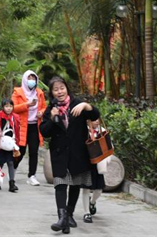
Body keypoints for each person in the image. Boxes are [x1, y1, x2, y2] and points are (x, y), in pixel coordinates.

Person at [40, 77, 100, 234]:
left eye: (62, 88)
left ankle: (69, 214)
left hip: (78, 152)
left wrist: (86, 106)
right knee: (60, 184)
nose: (59, 92)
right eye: (56, 89)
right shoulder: (51, 108)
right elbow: (44, 132)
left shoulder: (77, 104)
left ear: (66, 88)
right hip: (59, 153)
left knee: (75, 184)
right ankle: (62, 218)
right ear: (52, 93)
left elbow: (95, 116)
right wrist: (52, 119)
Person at [12, 70, 47, 186]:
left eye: (34, 79)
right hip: (22, 126)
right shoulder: (17, 92)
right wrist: (27, 104)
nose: (31, 81)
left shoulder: (39, 93)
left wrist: (41, 112)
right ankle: (13, 169)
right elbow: (13, 108)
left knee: (34, 151)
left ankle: (32, 175)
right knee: (20, 151)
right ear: (24, 79)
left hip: (35, 126)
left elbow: (44, 107)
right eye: (29, 78)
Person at [0, 99, 21, 192]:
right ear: (3, 107)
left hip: (10, 144)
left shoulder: (15, 117)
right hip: (1, 144)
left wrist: (17, 144)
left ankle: (12, 183)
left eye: (10, 106)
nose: (9, 108)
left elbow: (17, 131)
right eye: (6, 106)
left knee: (11, 163)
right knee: (0, 163)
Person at [82, 119, 105, 224]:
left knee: (99, 189)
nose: (96, 122)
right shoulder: (83, 131)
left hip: (98, 164)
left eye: (97, 120)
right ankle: (86, 212)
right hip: (86, 163)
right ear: (88, 121)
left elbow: (109, 145)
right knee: (86, 188)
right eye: (93, 120)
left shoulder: (102, 131)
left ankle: (92, 202)